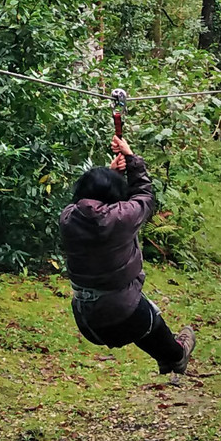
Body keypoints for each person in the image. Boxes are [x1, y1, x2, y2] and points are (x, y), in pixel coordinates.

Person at [59, 135, 195, 374]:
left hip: (86, 317)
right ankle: (175, 355)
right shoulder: (122, 217)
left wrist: (111, 175)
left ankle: (167, 359)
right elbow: (144, 196)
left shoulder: (68, 217)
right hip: (123, 313)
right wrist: (132, 159)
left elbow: (90, 202)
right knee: (146, 316)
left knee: (136, 317)